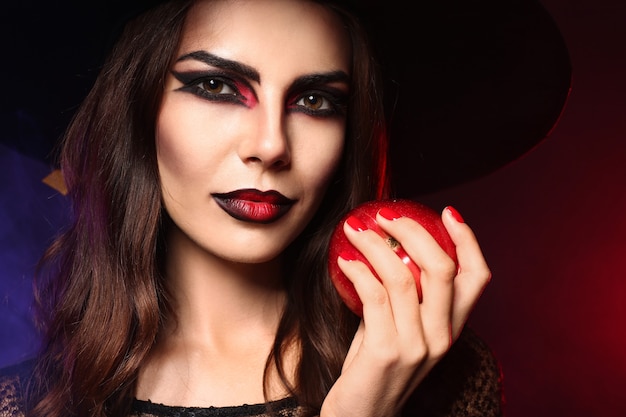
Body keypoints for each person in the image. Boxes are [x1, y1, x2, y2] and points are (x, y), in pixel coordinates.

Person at [1, 0, 573, 415]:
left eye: (315, 100)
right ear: (137, 114)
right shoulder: (22, 405)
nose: (271, 145)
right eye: (219, 87)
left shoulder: (436, 378)